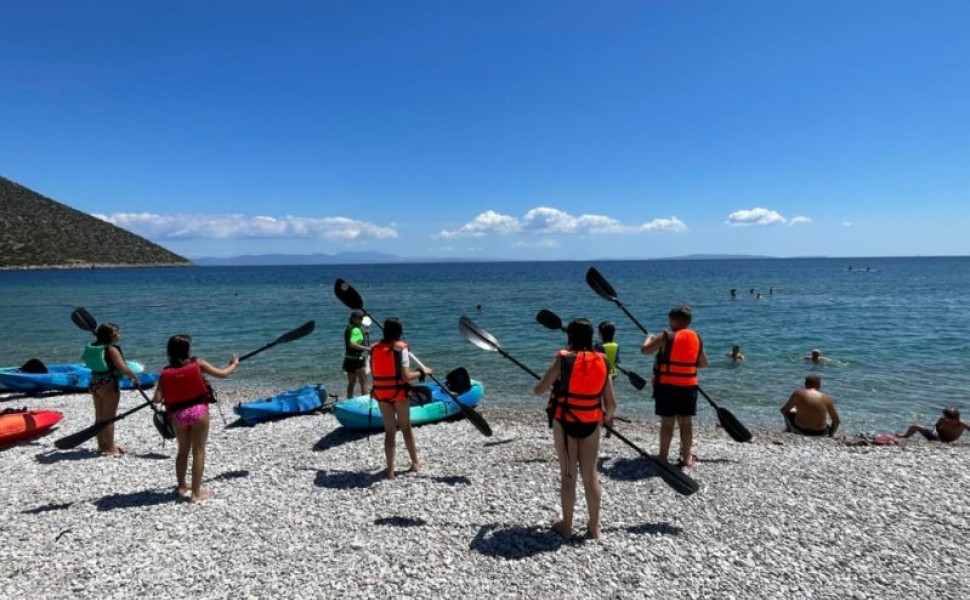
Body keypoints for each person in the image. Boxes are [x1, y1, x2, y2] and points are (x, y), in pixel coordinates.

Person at [534, 319, 616, 540]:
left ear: (569, 338)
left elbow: (538, 389)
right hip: (591, 424)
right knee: (591, 476)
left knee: (569, 475)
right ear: (591, 338)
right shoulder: (603, 360)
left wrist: (554, 386)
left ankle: (567, 526)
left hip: (566, 423)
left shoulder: (563, 360)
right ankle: (595, 527)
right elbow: (611, 404)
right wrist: (607, 420)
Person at [153, 335, 239, 503]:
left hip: (178, 415)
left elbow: (157, 399)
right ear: (188, 350)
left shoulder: (165, 372)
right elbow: (223, 374)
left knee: (182, 451)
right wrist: (233, 364)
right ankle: (196, 493)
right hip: (199, 411)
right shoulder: (197, 363)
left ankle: (182, 486)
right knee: (198, 451)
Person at [640, 306, 709, 468]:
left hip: (666, 387)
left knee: (667, 424)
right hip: (688, 387)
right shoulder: (697, 337)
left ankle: (663, 458)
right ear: (689, 322)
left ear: (673, 320)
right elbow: (704, 363)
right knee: (686, 423)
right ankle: (686, 458)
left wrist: (649, 338)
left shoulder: (665, 336)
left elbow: (645, 351)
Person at [370, 318, 429, 480]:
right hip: (398, 393)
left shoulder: (374, 349)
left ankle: (389, 470)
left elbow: (374, 372)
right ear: (399, 332)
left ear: (384, 331)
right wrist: (422, 372)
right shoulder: (400, 349)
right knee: (405, 427)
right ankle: (415, 462)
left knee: (389, 431)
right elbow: (406, 376)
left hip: (381, 394)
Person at [82, 323, 143, 456]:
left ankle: (101, 446)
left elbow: (84, 360)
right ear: (112, 336)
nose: (120, 335)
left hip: (94, 382)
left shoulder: (94, 346)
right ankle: (110, 448)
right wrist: (135, 377)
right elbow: (123, 368)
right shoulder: (111, 349)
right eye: (118, 333)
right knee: (109, 418)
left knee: (99, 416)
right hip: (108, 384)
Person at [595, 321, 620, 439]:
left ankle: (598, 427)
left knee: (597, 402)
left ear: (600, 334)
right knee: (609, 403)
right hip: (612, 375)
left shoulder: (598, 347)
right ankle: (609, 432)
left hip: (600, 376)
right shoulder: (616, 345)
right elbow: (616, 361)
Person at [897, 407, 970, 443]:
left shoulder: (962, 424)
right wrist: (935, 430)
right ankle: (905, 436)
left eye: (946, 417)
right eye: (945, 416)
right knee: (915, 426)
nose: (944, 418)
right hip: (935, 436)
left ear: (954, 417)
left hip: (945, 441)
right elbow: (936, 426)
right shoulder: (943, 419)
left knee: (937, 442)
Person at [343, 310, 370, 398]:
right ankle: (366, 404)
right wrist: (367, 348)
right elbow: (352, 344)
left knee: (351, 383)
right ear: (354, 319)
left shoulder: (350, 327)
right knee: (364, 382)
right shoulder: (356, 330)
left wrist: (364, 333)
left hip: (348, 359)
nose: (362, 321)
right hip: (357, 360)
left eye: (362, 318)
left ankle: (349, 400)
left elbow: (353, 336)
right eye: (360, 319)